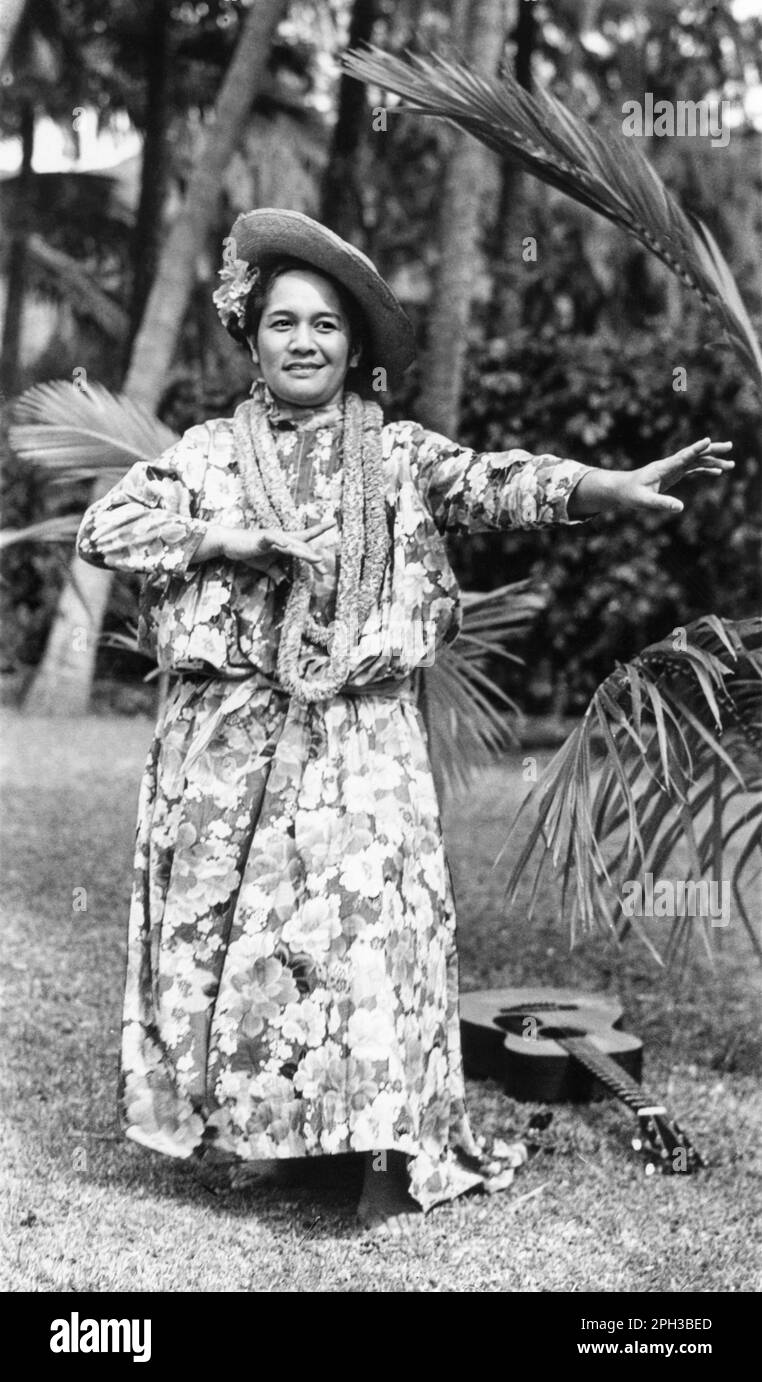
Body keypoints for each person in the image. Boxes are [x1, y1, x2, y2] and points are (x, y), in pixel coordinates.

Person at [75, 208, 733, 1236]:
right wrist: (223, 534)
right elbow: (105, 525)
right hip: (230, 750)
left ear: (355, 347)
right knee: (256, 947)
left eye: (327, 326)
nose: (305, 341)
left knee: (372, 938)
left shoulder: (397, 453)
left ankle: (381, 1153)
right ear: (251, 337)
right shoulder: (204, 453)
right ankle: (282, 1142)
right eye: (284, 322)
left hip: (361, 741)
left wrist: (608, 485)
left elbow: (496, 482)